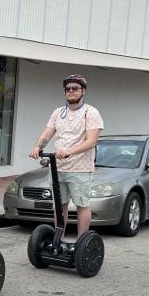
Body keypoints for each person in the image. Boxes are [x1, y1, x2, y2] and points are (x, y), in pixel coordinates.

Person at [30, 74, 104, 238]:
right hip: (58, 168)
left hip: (80, 169)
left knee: (81, 205)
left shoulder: (91, 112)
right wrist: (37, 147)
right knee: (59, 205)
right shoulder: (58, 112)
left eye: (75, 88)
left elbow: (91, 141)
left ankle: (81, 242)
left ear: (83, 91)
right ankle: (59, 240)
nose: (70, 91)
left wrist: (69, 151)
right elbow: (47, 133)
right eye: (68, 89)